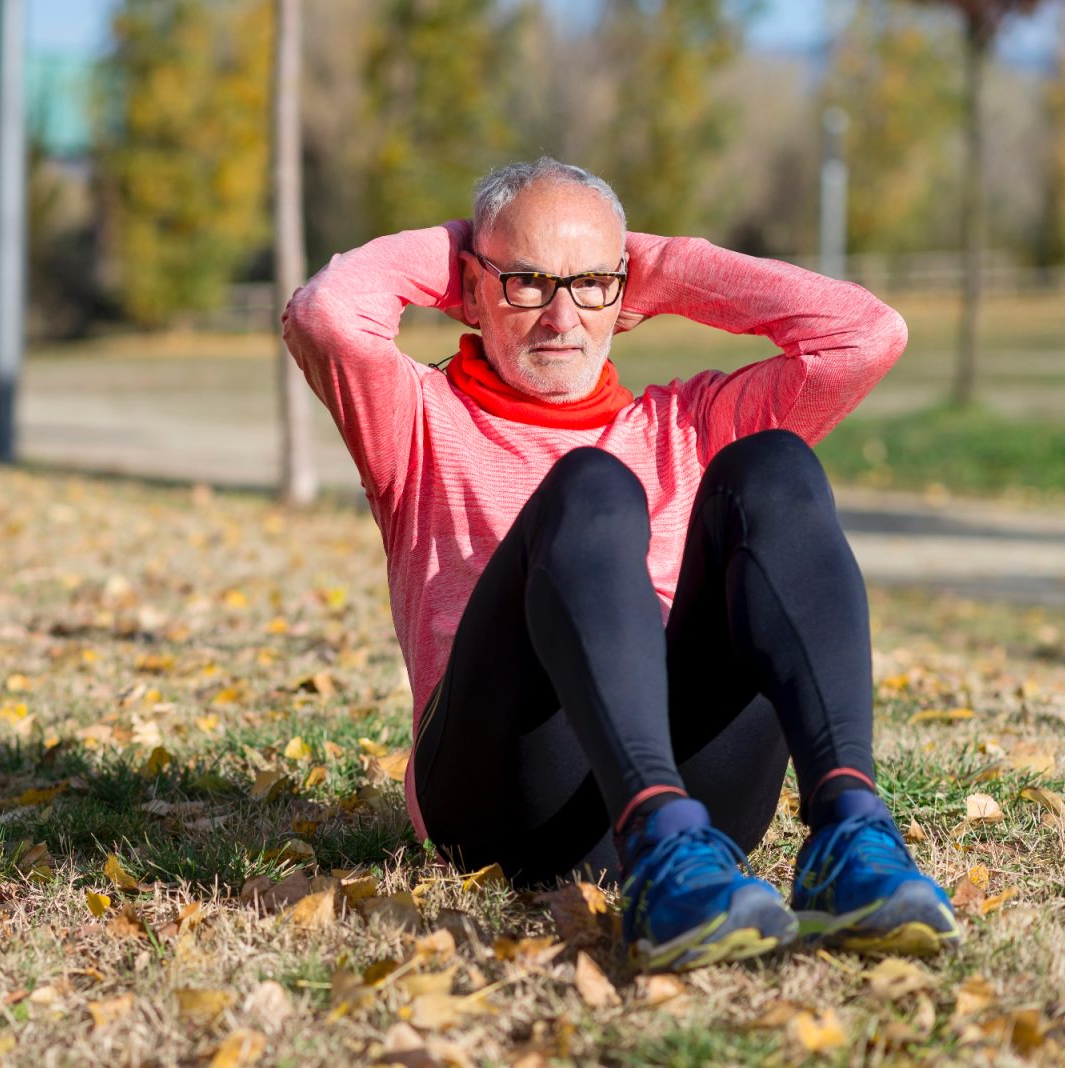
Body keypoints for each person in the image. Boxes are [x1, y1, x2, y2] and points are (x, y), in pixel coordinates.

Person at [281, 157, 959, 972]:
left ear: (626, 297)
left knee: (773, 464)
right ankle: (660, 842)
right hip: (503, 803)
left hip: (705, 804)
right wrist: (470, 252)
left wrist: (663, 268)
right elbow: (326, 313)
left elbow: (865, 334)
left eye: (595, 283)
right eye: (526, 282)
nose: (561, 315)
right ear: (470, 291)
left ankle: (851, 837)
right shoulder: (417, 418)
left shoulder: (689, 421)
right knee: (591, 487)